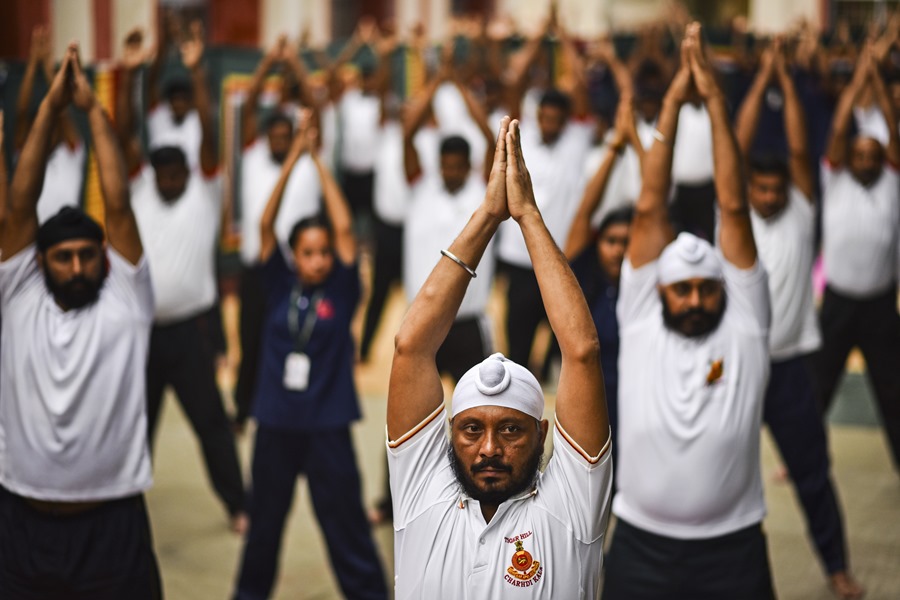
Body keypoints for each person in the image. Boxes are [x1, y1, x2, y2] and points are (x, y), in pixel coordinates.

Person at [386, 115, 612, 598]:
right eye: (472, 429)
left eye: (511, 429)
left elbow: (581, 352)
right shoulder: (421, 495)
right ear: (449, 434)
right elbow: (411, 347)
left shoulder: (570, 509)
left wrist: (527, 214)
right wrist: (488, 214)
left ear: (543, 435)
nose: (489, 448)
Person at [602, 25, 775, 598]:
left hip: (735, 548)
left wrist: (716, 103)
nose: (697, 299)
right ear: (661, 292)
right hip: (639, 546)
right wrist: (673, 104)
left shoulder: (747, 321)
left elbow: (733, 203)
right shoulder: (641, 316)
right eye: (684, 289)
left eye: (707, 288)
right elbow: (649, 206)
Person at [0, 45, 161, 598]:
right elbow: (19, 208)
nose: (75, 267)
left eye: (87, 255)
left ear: (103, 256)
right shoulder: (17, 292)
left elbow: (118, 204)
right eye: (62, 257)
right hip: (21, 523)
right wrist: (48, 108)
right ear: (39, 261)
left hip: (111, 524)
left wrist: (93, 110)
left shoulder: (126, 296)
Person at [233, 113, 387, 600]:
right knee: (263, 532)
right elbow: (262, 222)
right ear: (293, 256)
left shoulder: (341, 290)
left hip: (327, 427)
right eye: (308, 252)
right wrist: (292, 161)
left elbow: (343, 226)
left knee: (347, 532)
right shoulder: (277, 284)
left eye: (323, 252)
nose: (318, 259)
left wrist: (317, 160)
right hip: (275, 426)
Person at [735, 40, 864, 600]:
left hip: (789, 370)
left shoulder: (800, 210)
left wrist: (783, 82)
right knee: (726, 481)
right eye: (758, 189)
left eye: (775, 189)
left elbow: (794, 148)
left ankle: (837, 568)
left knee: (812, 474)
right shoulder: (732, 217)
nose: (767, 197)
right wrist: (760, 78)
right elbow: (735, 147)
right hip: (737, 368)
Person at [118, 25, 248, 532]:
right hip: (143, 331)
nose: (170, 181)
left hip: (192, 331)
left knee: (212, 425)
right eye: (163, 175)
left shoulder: (205, 190)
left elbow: (211, 132)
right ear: (152, 173)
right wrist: (132, 71)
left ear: (189, 173)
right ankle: (122, 501)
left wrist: (196, 71)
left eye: (177, 175)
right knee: (134, 428)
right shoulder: (142, 190)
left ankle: (238, 505)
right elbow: (127, 134)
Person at [816, 46, 900, 476]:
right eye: (859, 155)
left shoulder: (891, 182)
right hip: (838, 305)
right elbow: (835, 131)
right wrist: (855, 83)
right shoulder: (836, 180)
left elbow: (891, 135)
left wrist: (879, 84)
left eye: (874, 155)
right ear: (849, 158)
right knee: (820, 387)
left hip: (881, 307)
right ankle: (807, 459)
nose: (866, 161)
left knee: (893, 392)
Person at [495, 12, 595, 376]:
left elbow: (581, 84)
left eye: (556, 118)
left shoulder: (577, 141)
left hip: (560, 262)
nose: (549, 124)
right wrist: (539, 35)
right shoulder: (521, 137)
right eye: (544, 117)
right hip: (520, 263)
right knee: (517, 353)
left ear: (566, 119)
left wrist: (564, 36)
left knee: (563, 355)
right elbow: (514, 84)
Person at [234, 35, 322, 432]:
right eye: (276, 136)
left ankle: (294, 411)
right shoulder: (252, 157)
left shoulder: (306, 164)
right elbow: (250, 106)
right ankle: (242, 411)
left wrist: (297, 64)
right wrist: (270, 60)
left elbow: (316, 107)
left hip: (298, 274)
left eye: (288, 137)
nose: (280, 142)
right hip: (257, 271)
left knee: (299, 345)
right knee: (251, 344)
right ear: (267, 136)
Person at [564, 93, 641, 489]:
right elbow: (582, 214)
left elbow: (654, 204)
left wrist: (639, 148)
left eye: (629, 241)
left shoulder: (649, 290)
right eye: (611, 240)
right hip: (588, 423)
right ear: (598, 244)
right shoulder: (586, 285)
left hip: (639, 422)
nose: (620, 249)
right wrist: (615, 147)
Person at [13, 25, 85, 224]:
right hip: (36, 241)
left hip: (67, 234)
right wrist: (32, 63)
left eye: (51, 127)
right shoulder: (28, 155)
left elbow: (61, 108)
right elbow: (21, 113)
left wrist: (46, 66)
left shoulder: (71, 154)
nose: (48, 132)